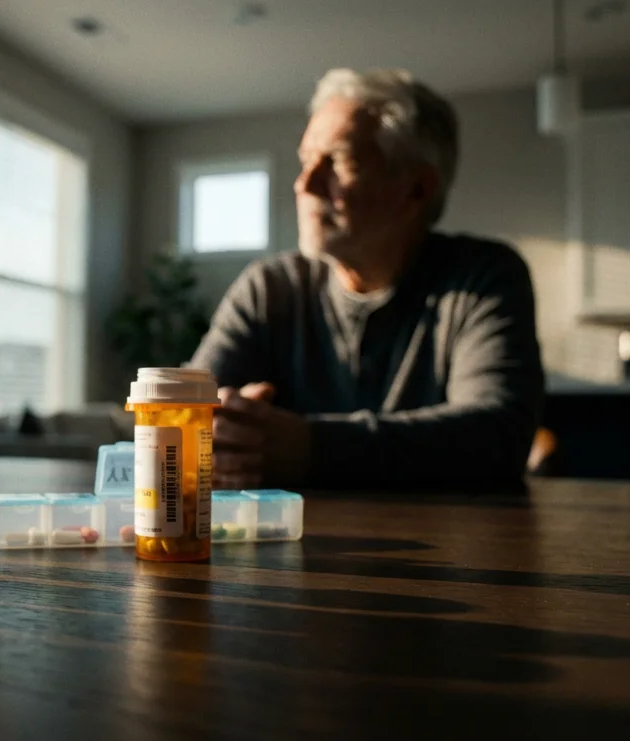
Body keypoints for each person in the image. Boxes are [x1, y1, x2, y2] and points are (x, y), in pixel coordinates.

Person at [189, 68, 545, 491]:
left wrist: (310, 448)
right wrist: (221, 429)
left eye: (339, 162)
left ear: (417, 189)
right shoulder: (268, 288)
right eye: (306, 161)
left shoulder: (482, 277)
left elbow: (497, 435)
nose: (306, 184)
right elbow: (192, 415)